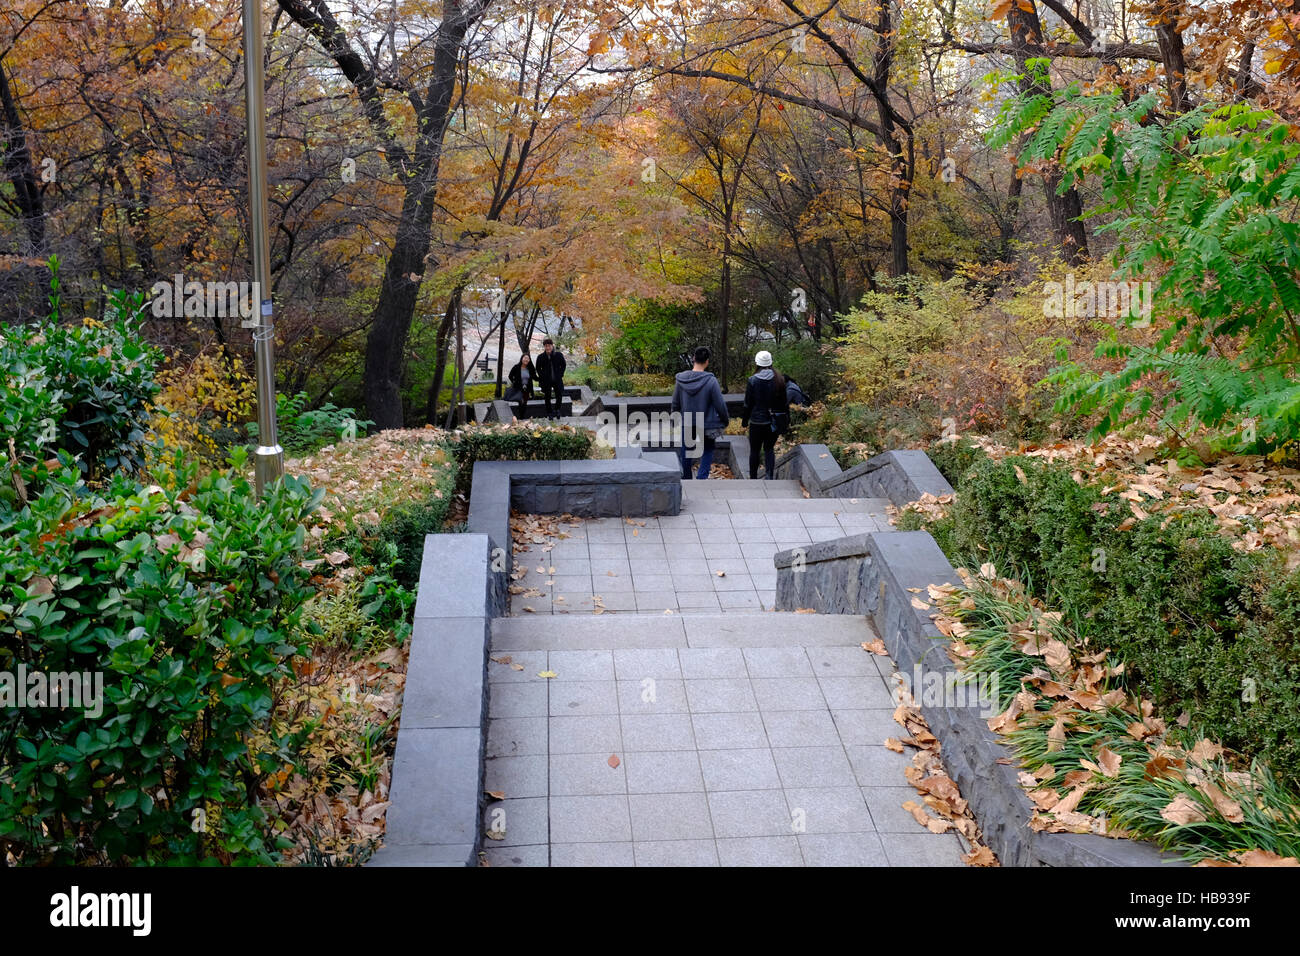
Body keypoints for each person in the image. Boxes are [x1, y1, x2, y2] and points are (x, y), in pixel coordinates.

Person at [670, 346, 730, 479]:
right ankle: (701, 479)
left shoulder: (681, 380)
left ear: (693, 359)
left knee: (686, 451)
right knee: (707, 449)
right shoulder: (711, 381)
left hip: (688, 422)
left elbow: (675, 403)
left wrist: (673, 420)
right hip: (707, 424)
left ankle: (686, 479)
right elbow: (720, 404)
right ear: (707, 361)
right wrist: (725, 420)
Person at [742, 350, 790, 479]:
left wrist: (744, 421)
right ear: (770, 363)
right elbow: (784, 404)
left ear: (757, 363)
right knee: (769, 449)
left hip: (756, 421)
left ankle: (753, 478)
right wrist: (785, 421)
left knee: (755, 450)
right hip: (773, 421)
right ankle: (769, 475)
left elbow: (748, 404)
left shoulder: (752, 380)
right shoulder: (779, 380)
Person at [535, 337, 567, 419]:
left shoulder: (558, 355)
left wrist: (560, 374)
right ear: (544, 347)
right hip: (546, 381)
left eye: (549, 345)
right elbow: (538, 368)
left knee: (559, 395)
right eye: (546, 346)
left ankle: (557, 410)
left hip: (557, 379)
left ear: (552, 346)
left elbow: (563, 365)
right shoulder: (541, 357)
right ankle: (549, 412)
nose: (548, 347)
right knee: (547, 396)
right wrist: (542, 376)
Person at [505, 353, 535, 417]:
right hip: (518, 388)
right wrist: (514, 382)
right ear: (522, 358)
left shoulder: (529, 368)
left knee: (524, 403)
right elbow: (510, 376)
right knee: (520, 402)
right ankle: (520, 417)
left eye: (528, 358)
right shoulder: (516, 367)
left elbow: (533, 379)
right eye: (525, 358)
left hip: (526, 389)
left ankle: (521, 417)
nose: (526, 359)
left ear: (529, 360)